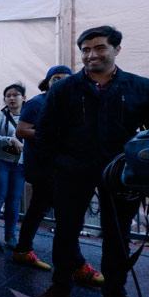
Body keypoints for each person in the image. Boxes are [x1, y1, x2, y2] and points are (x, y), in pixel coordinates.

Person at [34, 26, 149, 297]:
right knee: (65, 232)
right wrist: (53, 169)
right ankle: (60, 287)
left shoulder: (140, 87)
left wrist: (146, 174)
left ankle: (115, 295)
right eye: (86, 49)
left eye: (99, 48)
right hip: (71, 172)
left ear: (117, 48)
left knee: (117, 237)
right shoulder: (64, 89)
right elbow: (45, 132)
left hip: (119, 175)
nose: (91, 55)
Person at [13, 65, 102, 284]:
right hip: (45, 169)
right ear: (47, 82)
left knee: (37, 210)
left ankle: (23, 250)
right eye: (56, 79)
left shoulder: (69, 105)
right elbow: (21, 130)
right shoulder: (37, 103)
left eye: (65, 79)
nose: (60, 82)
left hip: (61, 168)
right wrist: (56, 135)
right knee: (66, 216)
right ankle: (77, 264)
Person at [0, 83, 27, 252]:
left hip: (19, 164)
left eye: (15, 95)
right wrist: (9, 140)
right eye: (8, 95)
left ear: (23, 97)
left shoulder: (28, 117)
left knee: (14, 201)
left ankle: (10, 236)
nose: (11, 98)